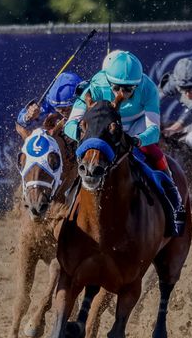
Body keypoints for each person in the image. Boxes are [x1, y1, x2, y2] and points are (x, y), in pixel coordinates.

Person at [64, 51, 185, 236]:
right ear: (107, 80)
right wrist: (86, 137)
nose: (122, 93)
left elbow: (153, 131)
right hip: (103, 129)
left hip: (134, 126)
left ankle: (175, 202)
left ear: (138, 84)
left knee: (154, 153)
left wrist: (137, 140)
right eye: (117, 87)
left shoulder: (148, 88)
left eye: (129, 89)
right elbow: (70, 125)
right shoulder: (95, 84)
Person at [15, 71, 84, 139]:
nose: (62, 112)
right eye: (57, 109)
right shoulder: (53, 102)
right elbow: (20, 124)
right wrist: (28, 116)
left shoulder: (89, 100)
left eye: (66, 109)